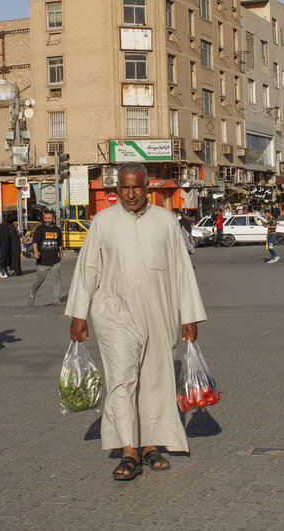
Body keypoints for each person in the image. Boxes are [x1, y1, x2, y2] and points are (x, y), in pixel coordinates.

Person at [66, 162, 207, 481]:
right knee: (121, 378)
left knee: (155, 379)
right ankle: (129, 449)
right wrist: (79, 313)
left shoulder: (166, 221)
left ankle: (151, 445)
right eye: (124, 188)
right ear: (116, 190)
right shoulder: (103, 222)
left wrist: (190, 316)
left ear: (148, 188)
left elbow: (182, 270)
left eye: (137, 187)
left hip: (159, 313)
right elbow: (87, 269)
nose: (130, 194)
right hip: (113, 313)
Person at [29, 208, 62, 306]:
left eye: (49, 218)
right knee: (39, 281)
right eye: (46, 218)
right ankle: (32, 293)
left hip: (55, 260)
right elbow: (35, 243)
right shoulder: (40, 229)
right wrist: (35, 252)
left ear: (53, 219)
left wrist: (61, 253)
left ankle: (57, 300)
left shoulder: (57, 229)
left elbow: (59, 243)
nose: (47, 220)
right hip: (42, 260)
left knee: (57, 280)